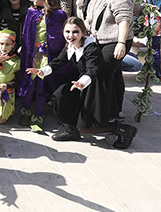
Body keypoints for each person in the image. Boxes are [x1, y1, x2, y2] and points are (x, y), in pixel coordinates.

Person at [27, 17, 137, 149]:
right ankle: (71, 129)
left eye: (75, 32)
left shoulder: (90, 47)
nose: (70, 35)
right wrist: (42, 71)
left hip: (94, 86)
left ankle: (123, 130)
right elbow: (59, 61)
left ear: (83, 33)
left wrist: (82, 82)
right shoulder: (70, 46)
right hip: (81, 83)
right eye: (67, 32)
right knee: (60, 97)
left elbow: (93, 69)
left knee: (89, 124)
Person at [17, 0, 69, 132]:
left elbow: (60, 37)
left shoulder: (59, 14)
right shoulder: (31, 12)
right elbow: (26, 33)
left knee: (41, 85)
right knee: (29, 82)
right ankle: (26, 110)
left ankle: (38, 115)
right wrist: (25, 46)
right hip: (32, 55)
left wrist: (49, 47)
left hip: (47, 56)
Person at [84, 0, 134, 122]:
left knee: (102, 74)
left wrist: (121, 43)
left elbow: (124, 19)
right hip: (100, 42)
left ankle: (105, 113)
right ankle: (115, 111)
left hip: (115, 41)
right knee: (114, 75)